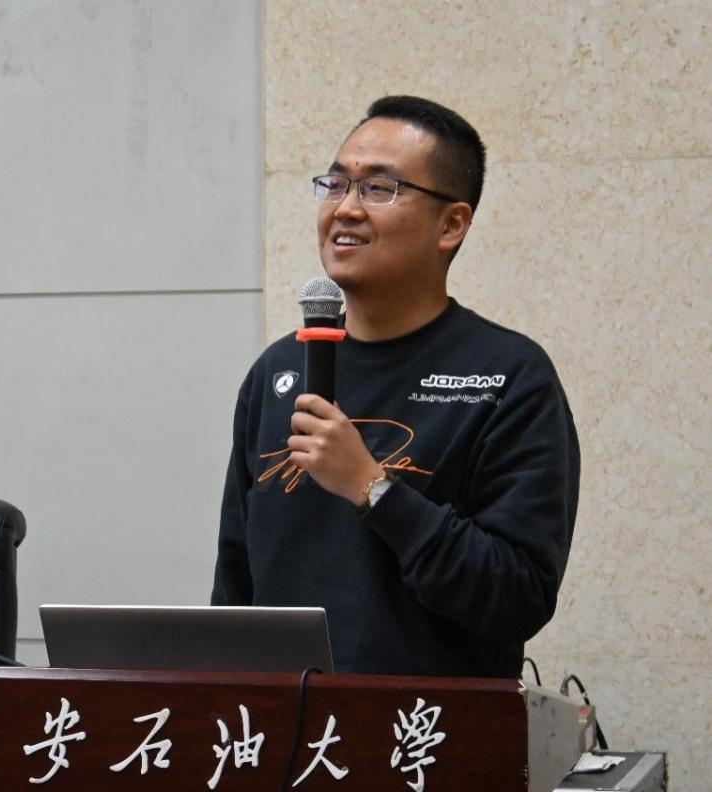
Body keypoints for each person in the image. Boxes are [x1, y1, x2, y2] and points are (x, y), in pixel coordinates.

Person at [211, 95, 580, 677]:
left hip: (426, 726)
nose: (345, 208)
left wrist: (372, 488)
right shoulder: (277, 373)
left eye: (379, 189)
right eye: (335, 184)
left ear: (451, 225)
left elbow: (518, 596)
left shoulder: (510, 377)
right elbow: (235, 589)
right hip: (284, 726)